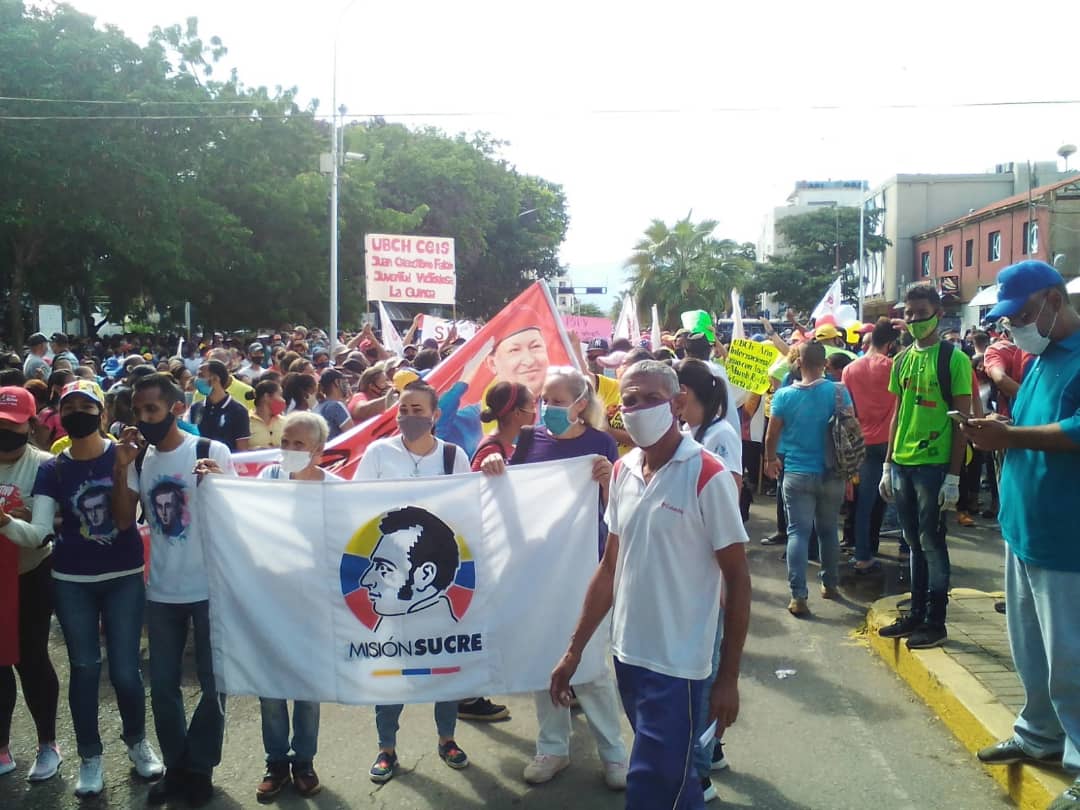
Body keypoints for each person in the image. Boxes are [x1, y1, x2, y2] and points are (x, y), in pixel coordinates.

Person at [548, 360, 750, 809]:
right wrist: (574, 650)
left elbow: (738, 579)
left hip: (679, 665)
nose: (638, 408)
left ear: (677, 403)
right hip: (629, 656)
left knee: (650, 783)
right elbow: (609, 567)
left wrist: (728, 678)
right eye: (630, 400)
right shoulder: (623, 471)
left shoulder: (707, 474)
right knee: (672, 781)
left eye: (651, 399)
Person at [962, 261, 1080, 810]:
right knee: (1031, 648)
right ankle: (1038, 733)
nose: (1015, 326)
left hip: (1065, 535)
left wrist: (1009, 437)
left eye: (1023, 313)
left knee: (1072, 656)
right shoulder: (1042, 358)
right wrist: (999, 431)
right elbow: (1031, 425)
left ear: (1054, 299)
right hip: (1023, 525)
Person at [478, 366, 629, 790]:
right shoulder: (529, 440)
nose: (549, 407)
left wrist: (607, 485)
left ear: (581, 404)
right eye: (545, 399)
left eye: (559, 401)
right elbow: (510, 495)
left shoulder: (600, 444)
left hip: (587, 566)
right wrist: (493, 464)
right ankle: (552, 748)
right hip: (538, 567)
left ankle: (614, 754)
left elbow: (618, 512)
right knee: (544, 657)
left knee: (591, 662)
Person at [29, 380, 163, 797]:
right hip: (72, 580)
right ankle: (90, 757)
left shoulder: (126, 454)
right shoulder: (52, 469)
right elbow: (39, 527)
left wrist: (120, 468)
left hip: (123, 575)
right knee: (84, 668)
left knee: (125, 670)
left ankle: (137, 741)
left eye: (85, 407)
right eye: (68, 407)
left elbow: (125, 521)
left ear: (102, 414)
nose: (76, 414)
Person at [112, 373, 235, 807]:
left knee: (214, 683)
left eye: (152, 409)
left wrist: (220, 485)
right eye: (138, 411)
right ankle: (177, 766)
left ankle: (199, 768)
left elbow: (238, 516)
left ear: (176, 408)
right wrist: (121, 466)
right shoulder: (139, 460)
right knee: (163, 686)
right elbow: (124, 520)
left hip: (210, 588)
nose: (145, 418)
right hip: (162, 590)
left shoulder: (210, 450)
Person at [352, 380, 472, 784]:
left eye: (418, 410)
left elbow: (468, 510)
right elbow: (353, 503)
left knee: (445, 666)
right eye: (403, 409)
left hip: (432, 582)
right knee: (390, 669)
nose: (409, 417)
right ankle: (386, 747)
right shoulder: (378, 453)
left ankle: (447, 739)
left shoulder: (453, 456)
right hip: (392, 584)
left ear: (435, 415)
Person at [878, 285, 972, 650]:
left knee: (932, 543)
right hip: (903, 464)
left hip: (934, 466)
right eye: (909, 313)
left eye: (921, 312)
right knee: (913, 542)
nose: (914, 319)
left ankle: (936, 621)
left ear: (938, 312)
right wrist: (888, 463)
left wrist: (953, 476)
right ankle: (916, 613)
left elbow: (962, 420)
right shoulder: (901, 359)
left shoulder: (954, 359)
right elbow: (898, 414)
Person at [254, 411, 339, 801]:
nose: (288, 449)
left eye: (298, 444)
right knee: (270, 690)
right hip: (270, 602)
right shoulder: (267, 481)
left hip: (313, 606)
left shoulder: (336, 491)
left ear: (318, 450)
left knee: (308, 688)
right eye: (284, 441)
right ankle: (276, 763)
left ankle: (303, 761)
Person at [0, 387, 61, 782]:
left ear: (31, 425)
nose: (6, 433)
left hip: (30, 574)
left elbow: (42, 532)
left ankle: (48, 744)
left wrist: (9, 522)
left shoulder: (45, 466)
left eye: (13, 426)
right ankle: (1, 745)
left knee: (32, 658)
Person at [764, 341, 851, 616]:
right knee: (828, 531)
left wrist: (769, 460)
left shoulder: (783, 396)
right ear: (825, 364)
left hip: (797, 472)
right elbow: (850, 428)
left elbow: (771, 434)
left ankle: (798, 596)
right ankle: (830, 584)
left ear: (798, 362)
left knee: (798, 533)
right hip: (832, 471)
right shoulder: (839, 392)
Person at [842, 319, 899, 573]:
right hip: (890, 441)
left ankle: (863, 554)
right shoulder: (894, 367)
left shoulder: (850, 369)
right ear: (890, 344)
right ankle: (904, 549)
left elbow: (847, 409)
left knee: (864, 503)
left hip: (861, 441)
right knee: (895, 498)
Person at [190, 360, 251, 451]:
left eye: (201, 375)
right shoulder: (196, 408)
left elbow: (242, 449)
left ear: (215, 379)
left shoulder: (238, 411)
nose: (196, 380)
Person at [313, 368, 353, 441]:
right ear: (337, 382)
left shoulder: (317, 406)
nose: (347, 385)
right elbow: (351, 435)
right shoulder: (337, 406)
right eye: (344, 382)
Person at [249, 379, 287, 449]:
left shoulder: (286, 422)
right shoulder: (245, 422)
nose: (283, 400)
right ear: (266, 397)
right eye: (280, 395)